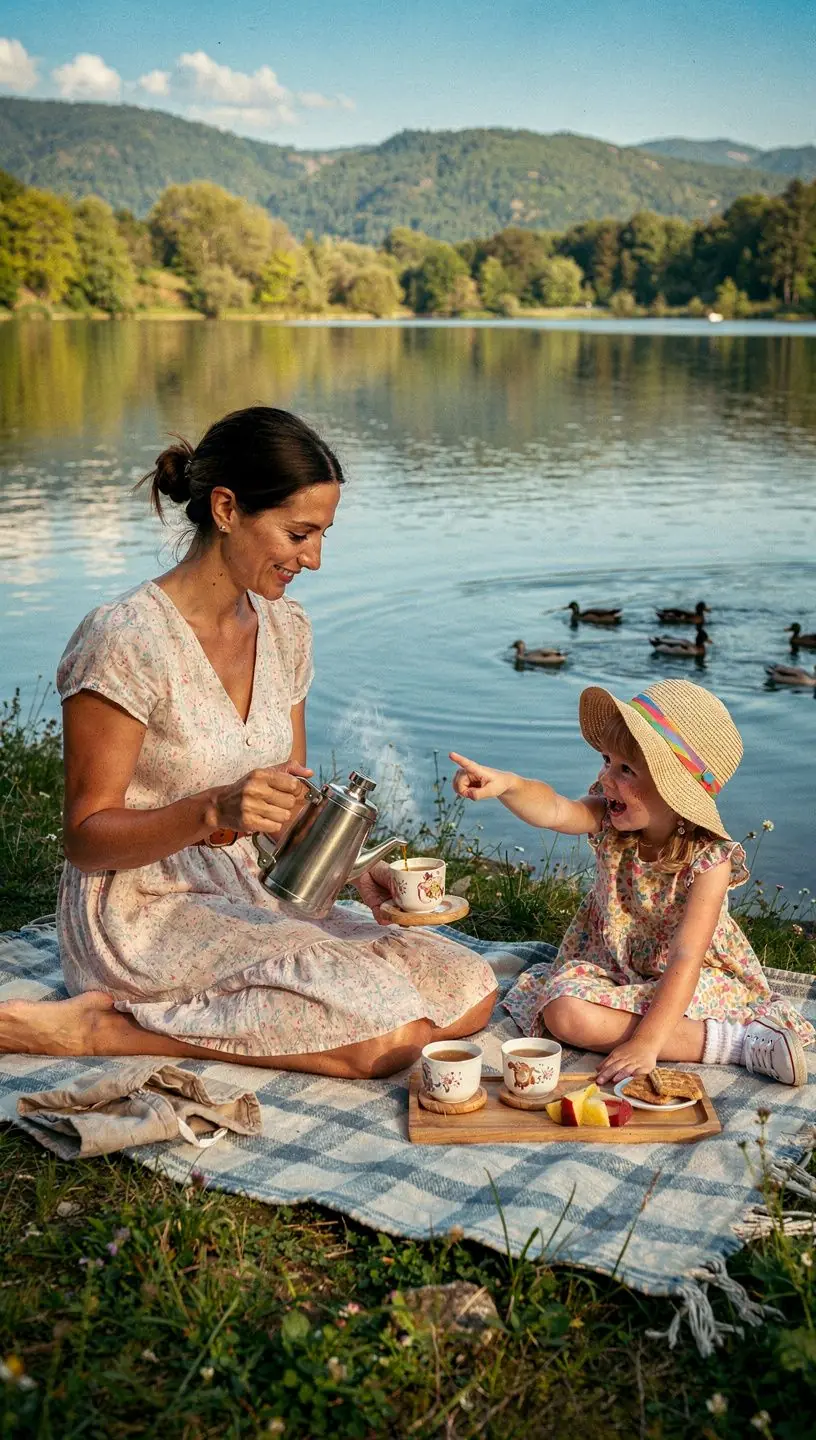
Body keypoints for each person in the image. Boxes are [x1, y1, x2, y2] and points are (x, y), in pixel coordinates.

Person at [0, 406, 496, 1075]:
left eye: (321, 535)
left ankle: (238, 1007)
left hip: (246, 892)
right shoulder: (126, 638)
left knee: (467, 990)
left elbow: (282, 809)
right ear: (227, 508)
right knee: (387, 1037)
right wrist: (211, 812)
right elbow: (87, 838)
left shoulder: (286, 630)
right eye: (299, 533)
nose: (314, 559)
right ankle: (97, 1031)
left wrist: (353, 868)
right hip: (141, 911)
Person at [450, 678, 812, 1087]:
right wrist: (509, 785)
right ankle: (710, 1040)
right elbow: (553, 808)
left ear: (674, 791)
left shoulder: (710, 861)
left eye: (626, 769)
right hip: (613, 969)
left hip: (689, 979)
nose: (606, 778)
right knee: (562, 1011)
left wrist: (648, 1043)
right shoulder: (610, 820)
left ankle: (736, 1043)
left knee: (652, 1013)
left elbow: (686, 958)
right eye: (607, 760)